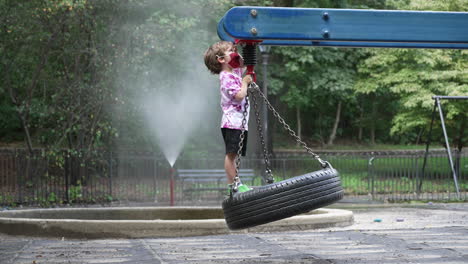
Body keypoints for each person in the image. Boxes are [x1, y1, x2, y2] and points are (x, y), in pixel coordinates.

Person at [204, 41, 253, 193]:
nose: (235, 53)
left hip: (239, 123)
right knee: (231, 156)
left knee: (236, 155)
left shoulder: (234, 72)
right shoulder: (225, 77)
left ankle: (237, 183)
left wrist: (245, 48)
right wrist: (245, 83)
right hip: (232, 123)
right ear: (221, 59)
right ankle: (233, 186)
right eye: (231, 51)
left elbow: (246, 65)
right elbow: (239, 95)